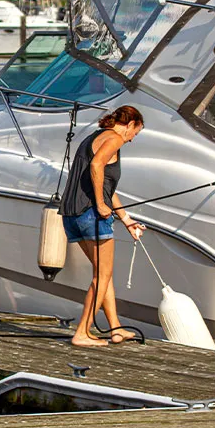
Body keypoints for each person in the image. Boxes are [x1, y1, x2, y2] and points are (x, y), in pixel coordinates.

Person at [59, 106, 146, 347]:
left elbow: (106, 186)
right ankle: (82, 333)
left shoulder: (93, 138)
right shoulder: (115, 138)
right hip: (91, 215)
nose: (131, 139)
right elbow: (97, 166)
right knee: (103, 275)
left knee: (102, 274)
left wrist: (126, 219)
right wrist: (99, 203)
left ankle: (116, 328)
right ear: (129, 124)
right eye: (135, 133)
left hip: (72, 215)